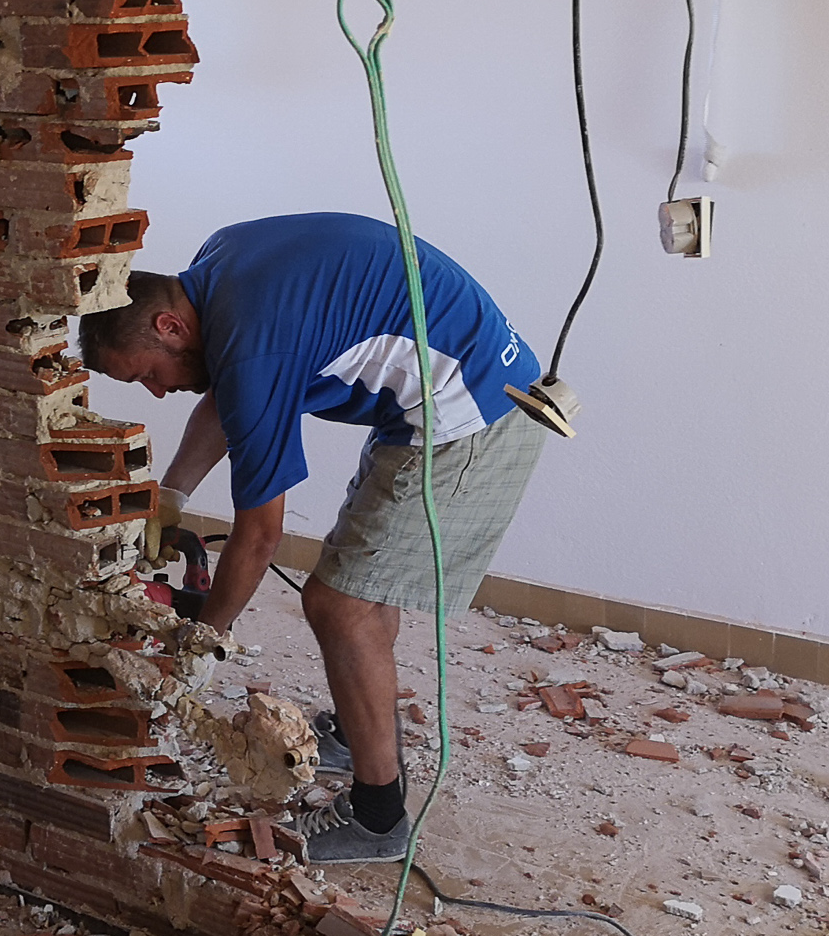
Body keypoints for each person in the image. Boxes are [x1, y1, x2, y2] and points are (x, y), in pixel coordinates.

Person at [78, 212, 548, 864]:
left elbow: (260, 536)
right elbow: (226, 393)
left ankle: (379, 817)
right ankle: (360, 736)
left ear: (169, 327)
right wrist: (172, 496)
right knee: (361, 585)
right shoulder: (218, 268)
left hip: (472, 412)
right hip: (430, 401)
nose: (158, 392)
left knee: (340, 603)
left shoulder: (253, 344)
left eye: (146, 375)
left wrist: (203, 639)